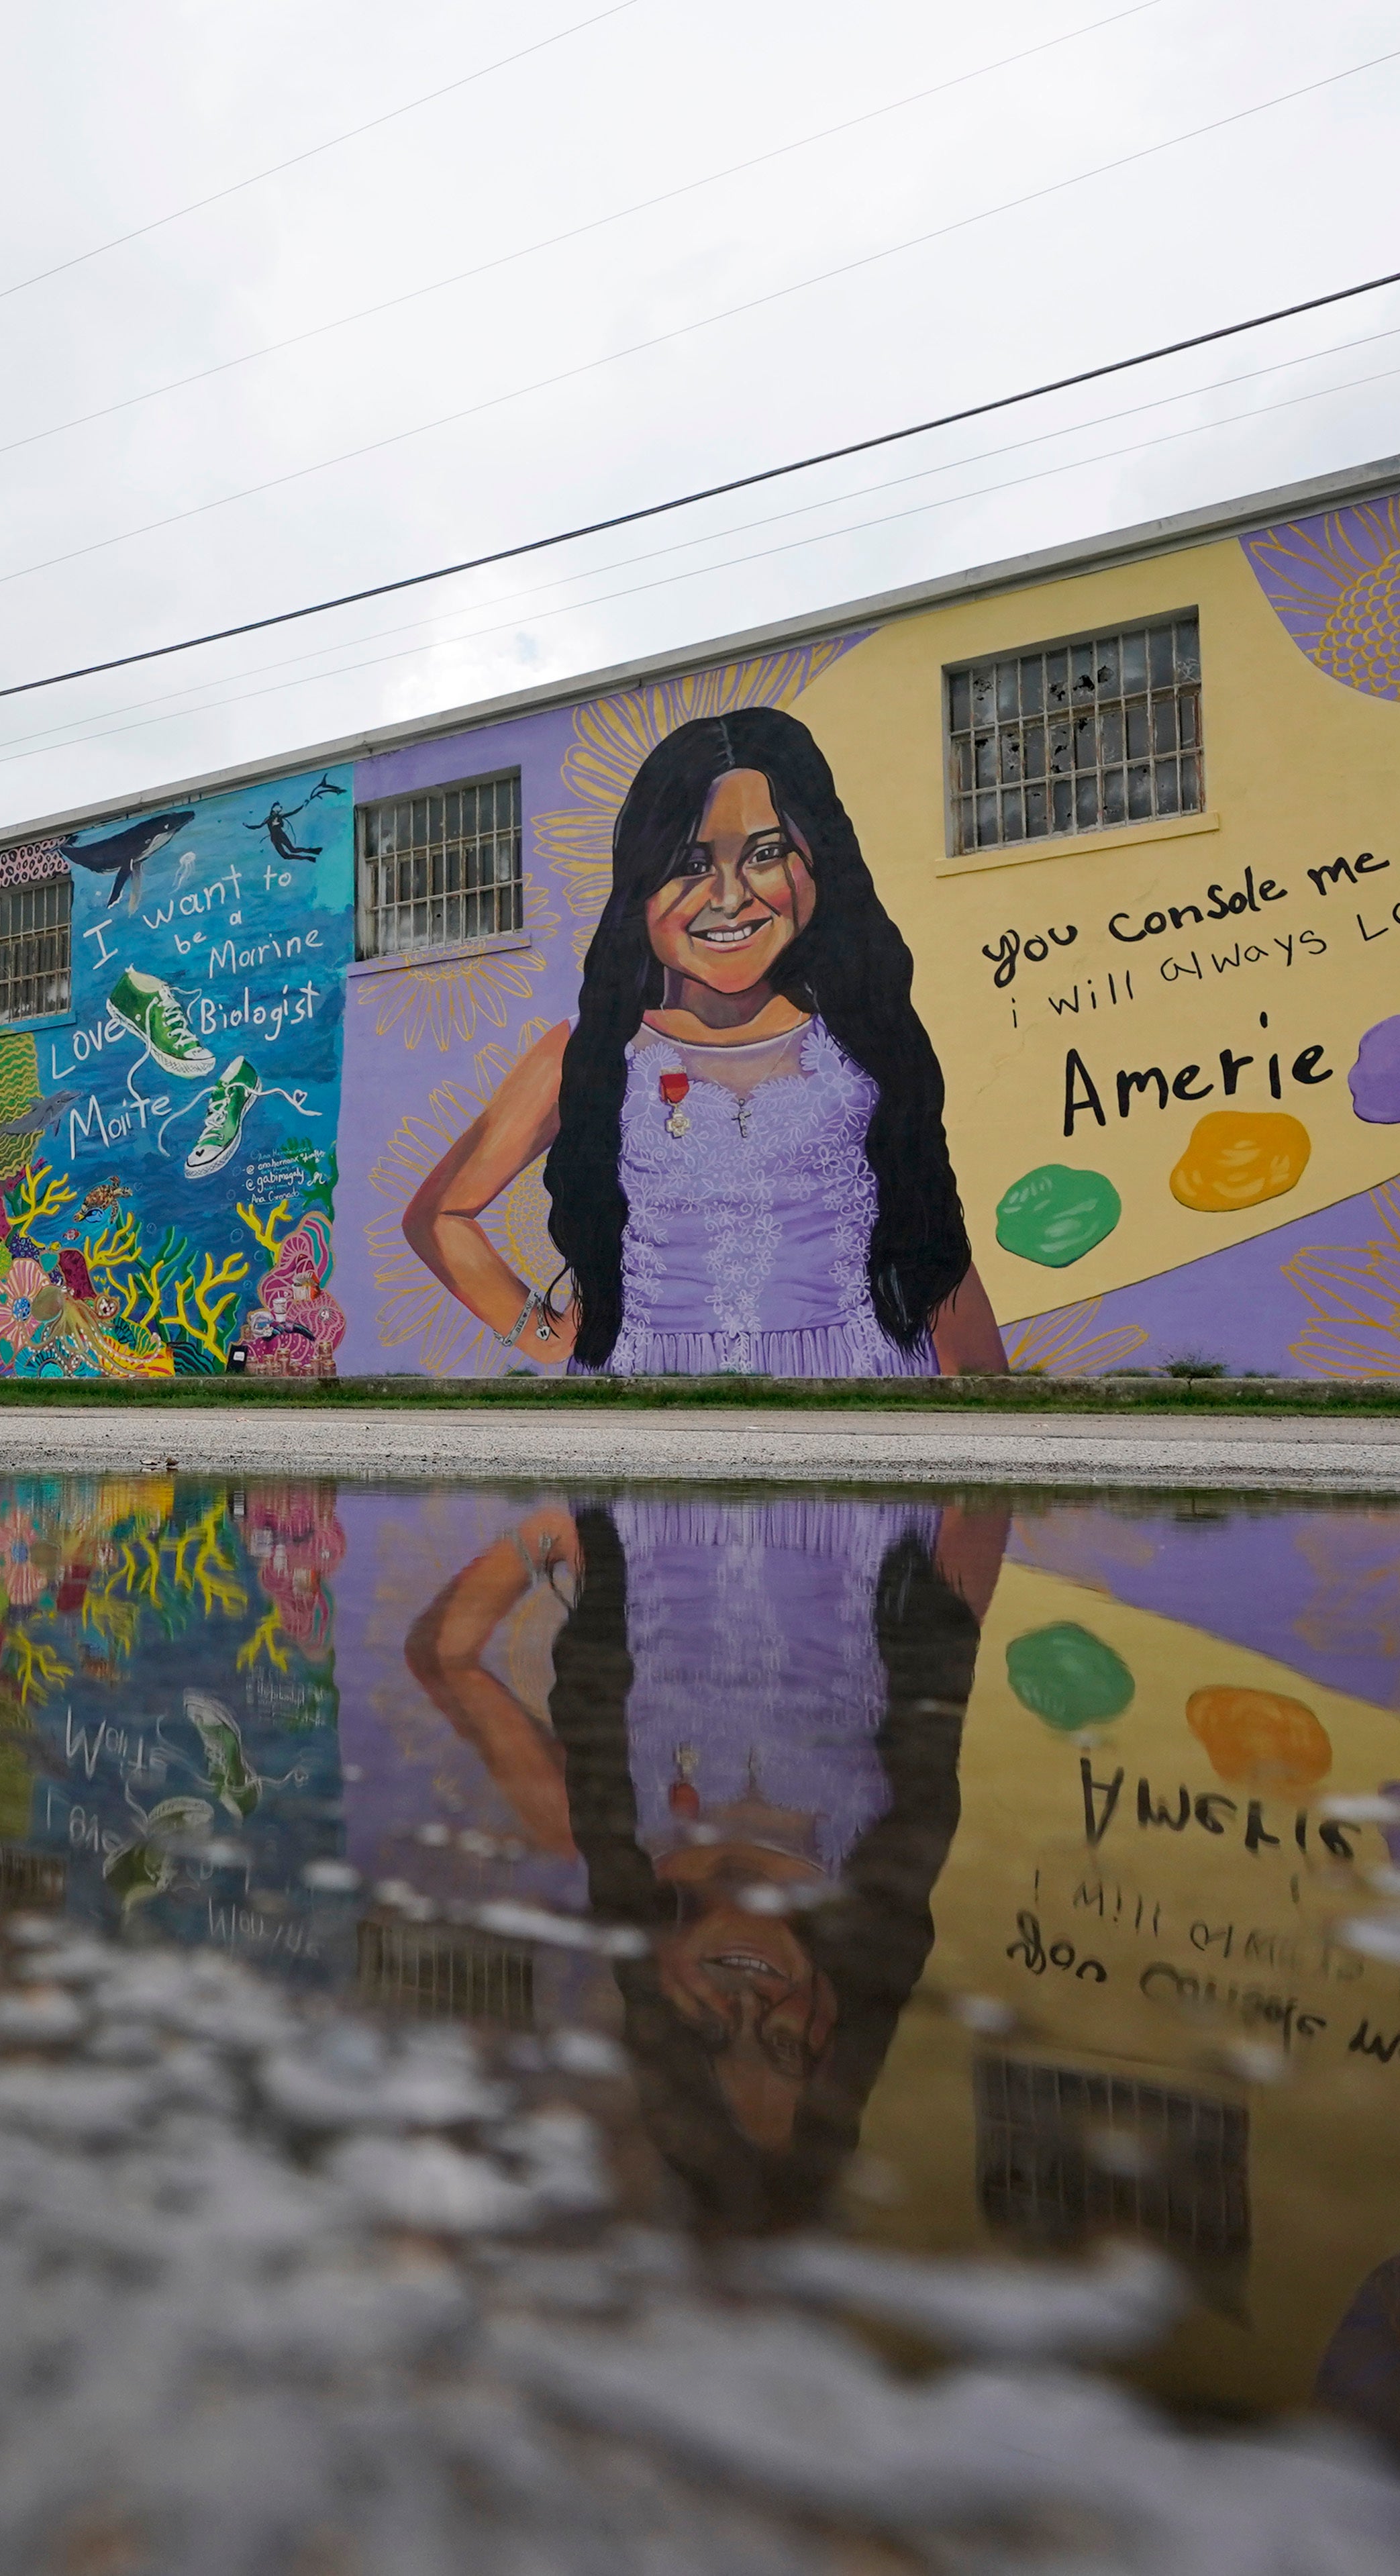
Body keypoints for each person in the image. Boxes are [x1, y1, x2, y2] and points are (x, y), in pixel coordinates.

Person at [403, 1494, 1002, 2234]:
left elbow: (442, 1658)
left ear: (662, 1994)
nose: (745, 2008)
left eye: (712, 2034)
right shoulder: (892, 1822)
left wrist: (566, 1530)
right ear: (829, 2017)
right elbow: (968, 1527)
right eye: (782, 2045)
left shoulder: (589, 1823)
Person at [402, 708, 1004, 1377]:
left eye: (768, 853)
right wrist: (546, 1336)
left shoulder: (862, 1035)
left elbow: (929, 1234)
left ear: (817, 862)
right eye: (690, 863)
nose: (729, 896)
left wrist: (988, 1439)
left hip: (859, 1388)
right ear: (640, 885)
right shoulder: (596, 1052)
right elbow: (440, 1215)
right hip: (648, 1406)